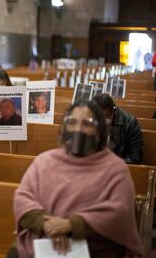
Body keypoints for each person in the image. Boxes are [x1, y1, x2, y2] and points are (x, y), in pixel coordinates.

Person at [10, 100, 143, 258]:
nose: (78, 129)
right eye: (72, 122)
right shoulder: (44, 161)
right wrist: (46, 224)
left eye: (87, 123)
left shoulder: (115, 168)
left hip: (92, 246)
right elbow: (22, 197)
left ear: (99, 131)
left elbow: (119, 210)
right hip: (42, 242)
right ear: (64, 129)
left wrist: (70, 225)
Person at [93, 94, 143, 164]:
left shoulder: (130, 122)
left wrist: (113, 165)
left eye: (106, 116)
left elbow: (135, 157)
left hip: (119, 167)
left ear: (113, 111)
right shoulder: (88, 121)